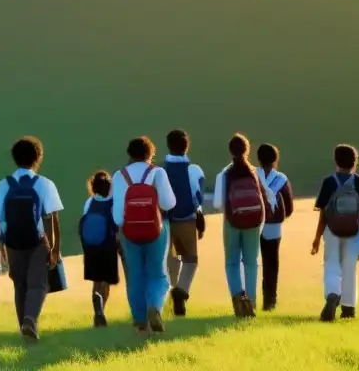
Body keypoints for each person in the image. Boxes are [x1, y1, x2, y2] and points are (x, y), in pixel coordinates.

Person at [0, 136, 64, 343]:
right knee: (38, 284)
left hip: (12, 241)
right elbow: (52, 218)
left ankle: (25, 327)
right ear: (38, 157)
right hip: (38, 240)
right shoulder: (45, 184)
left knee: (19, 284)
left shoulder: (4, 184)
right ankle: (30, 320)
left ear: (14, 158)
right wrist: (54, 248)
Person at [110, 136, 177, 336]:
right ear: (150, 154)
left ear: (130, 154)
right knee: (159, 275)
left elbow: (116, 215)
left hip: (129, 232)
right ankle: (155, 307)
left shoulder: (119, 175)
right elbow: (168, 204)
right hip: (157, 230)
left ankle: (140, 323)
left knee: (136, 276)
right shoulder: (157, 173)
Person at [311, 144, 359, 321]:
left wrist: (317, 238)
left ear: (336, 161)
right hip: (355, 232)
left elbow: (323, 213)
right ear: (355, 162)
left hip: (332, 231)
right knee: (349, 269)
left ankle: (332, 294)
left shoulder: (329, 182)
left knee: (331, 265)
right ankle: (348, 308)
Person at [212, 133, 264, 318]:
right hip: (253, 223)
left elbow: (218, 203)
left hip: (232, 221)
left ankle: (237, 299)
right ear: (247, 149)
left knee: (232, 262)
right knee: (251, 263)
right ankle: (251, 300)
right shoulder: (254, 173)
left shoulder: (225, 174)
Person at [162, 129, 205, 317]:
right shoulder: (194, 170)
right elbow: (198, 197)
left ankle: (171, 300)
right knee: (191, 260)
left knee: (171, 261)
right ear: (187, 146)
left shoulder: (160, 171)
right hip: (187, 219)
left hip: (165, 222)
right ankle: (181, 291)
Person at [79, 171, 121, 327]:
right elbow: (117, 222)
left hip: (91, 246)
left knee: (96, 281)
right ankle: (101, 309)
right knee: (106, 281)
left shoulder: (89, 203)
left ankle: (97, 307)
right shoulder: (113, 203)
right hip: (108, 245)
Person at [256, 143, 294, 311]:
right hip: (273, 226)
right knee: (271, 264)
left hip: (252, 225)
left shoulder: (252, 175)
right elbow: (289, 207)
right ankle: (269, 301)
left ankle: (246, 299)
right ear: (275, 160)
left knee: (250, 263)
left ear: (258, 159)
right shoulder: (281, 179)